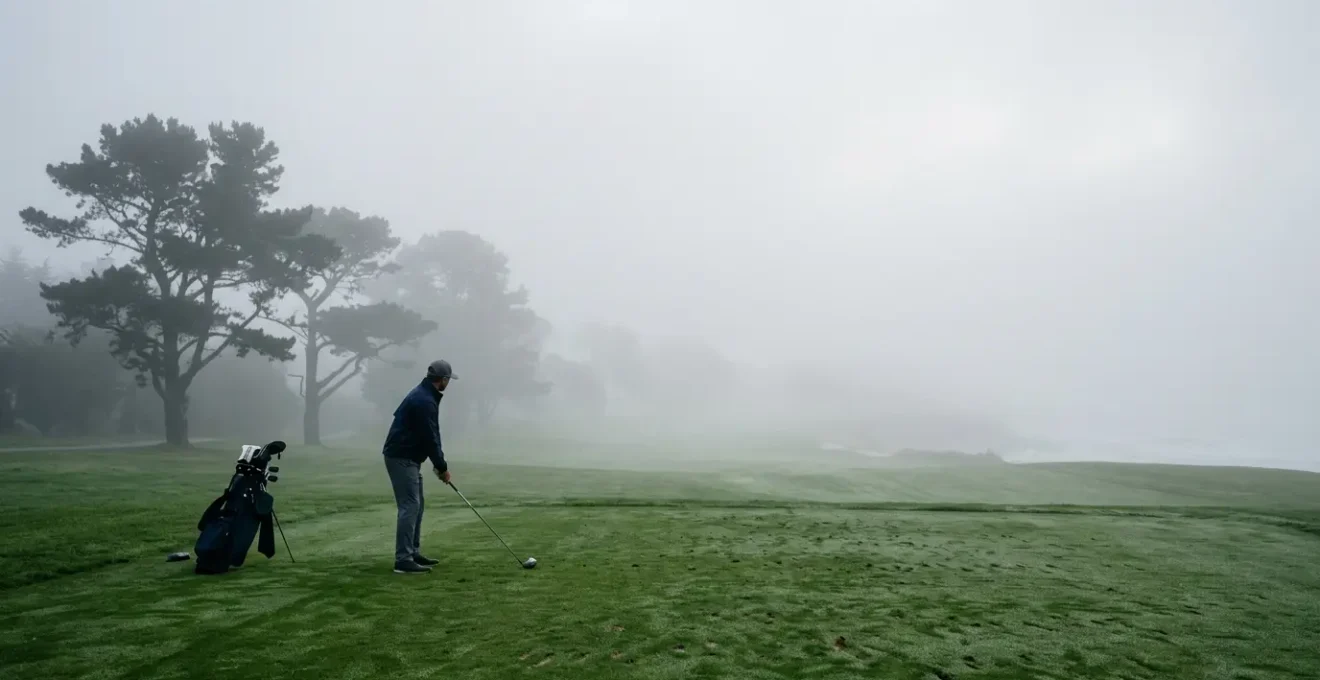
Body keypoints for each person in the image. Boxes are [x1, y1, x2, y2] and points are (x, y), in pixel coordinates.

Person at [381, 359, 457, 574]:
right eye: (448, 380)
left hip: (409, 457)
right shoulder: (424, 401)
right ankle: (403, 560)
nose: (448, 383)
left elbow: (430, 435)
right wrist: (442, 467)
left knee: (417, 504)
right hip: (401, 457)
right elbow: (430, 438)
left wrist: (439, 465)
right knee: (410, 506)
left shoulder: (425, 395)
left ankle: (412, 552)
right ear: (443, 379)